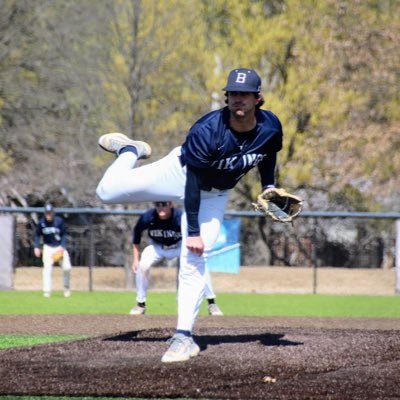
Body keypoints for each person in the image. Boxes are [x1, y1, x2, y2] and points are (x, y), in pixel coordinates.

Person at [96, 67, 283, 363]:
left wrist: (269, 186)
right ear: (227, 97)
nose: (238, 98)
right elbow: (192, 185)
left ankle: (183, 336)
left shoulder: (271, 126)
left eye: (244, 94)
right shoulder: (208, 130)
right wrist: (192, 231)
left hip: (215, 195)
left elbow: (267, 154)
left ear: (258, 98)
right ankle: (130, 150)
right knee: (105, 192)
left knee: (194, 259)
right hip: (178, 173)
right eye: (233, 93)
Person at [130, 201, 223, 316]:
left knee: (200, 263)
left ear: (171, 205)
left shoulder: (180, 217)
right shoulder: (148, 216)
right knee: (143, 265)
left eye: (164, 204)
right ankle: (140, 304)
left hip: (180, 246)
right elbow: (136, 235)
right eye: (157, 205)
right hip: (158, 247)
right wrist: (135, 259)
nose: (160, 207)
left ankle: (211, 303)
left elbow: (195, 233)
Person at [33, 202, 72, 298]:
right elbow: (38, 235)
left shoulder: (59, 221)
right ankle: (47, 292)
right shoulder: (42, 222)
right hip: (48, 248)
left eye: (50, 213)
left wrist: (63, 247)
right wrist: (36, 246)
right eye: (47, 213)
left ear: (53, 213)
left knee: (67, 268)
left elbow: (64, 234)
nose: (48, 215)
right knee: (47, 269)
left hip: (59, 247)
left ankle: (66, 288)